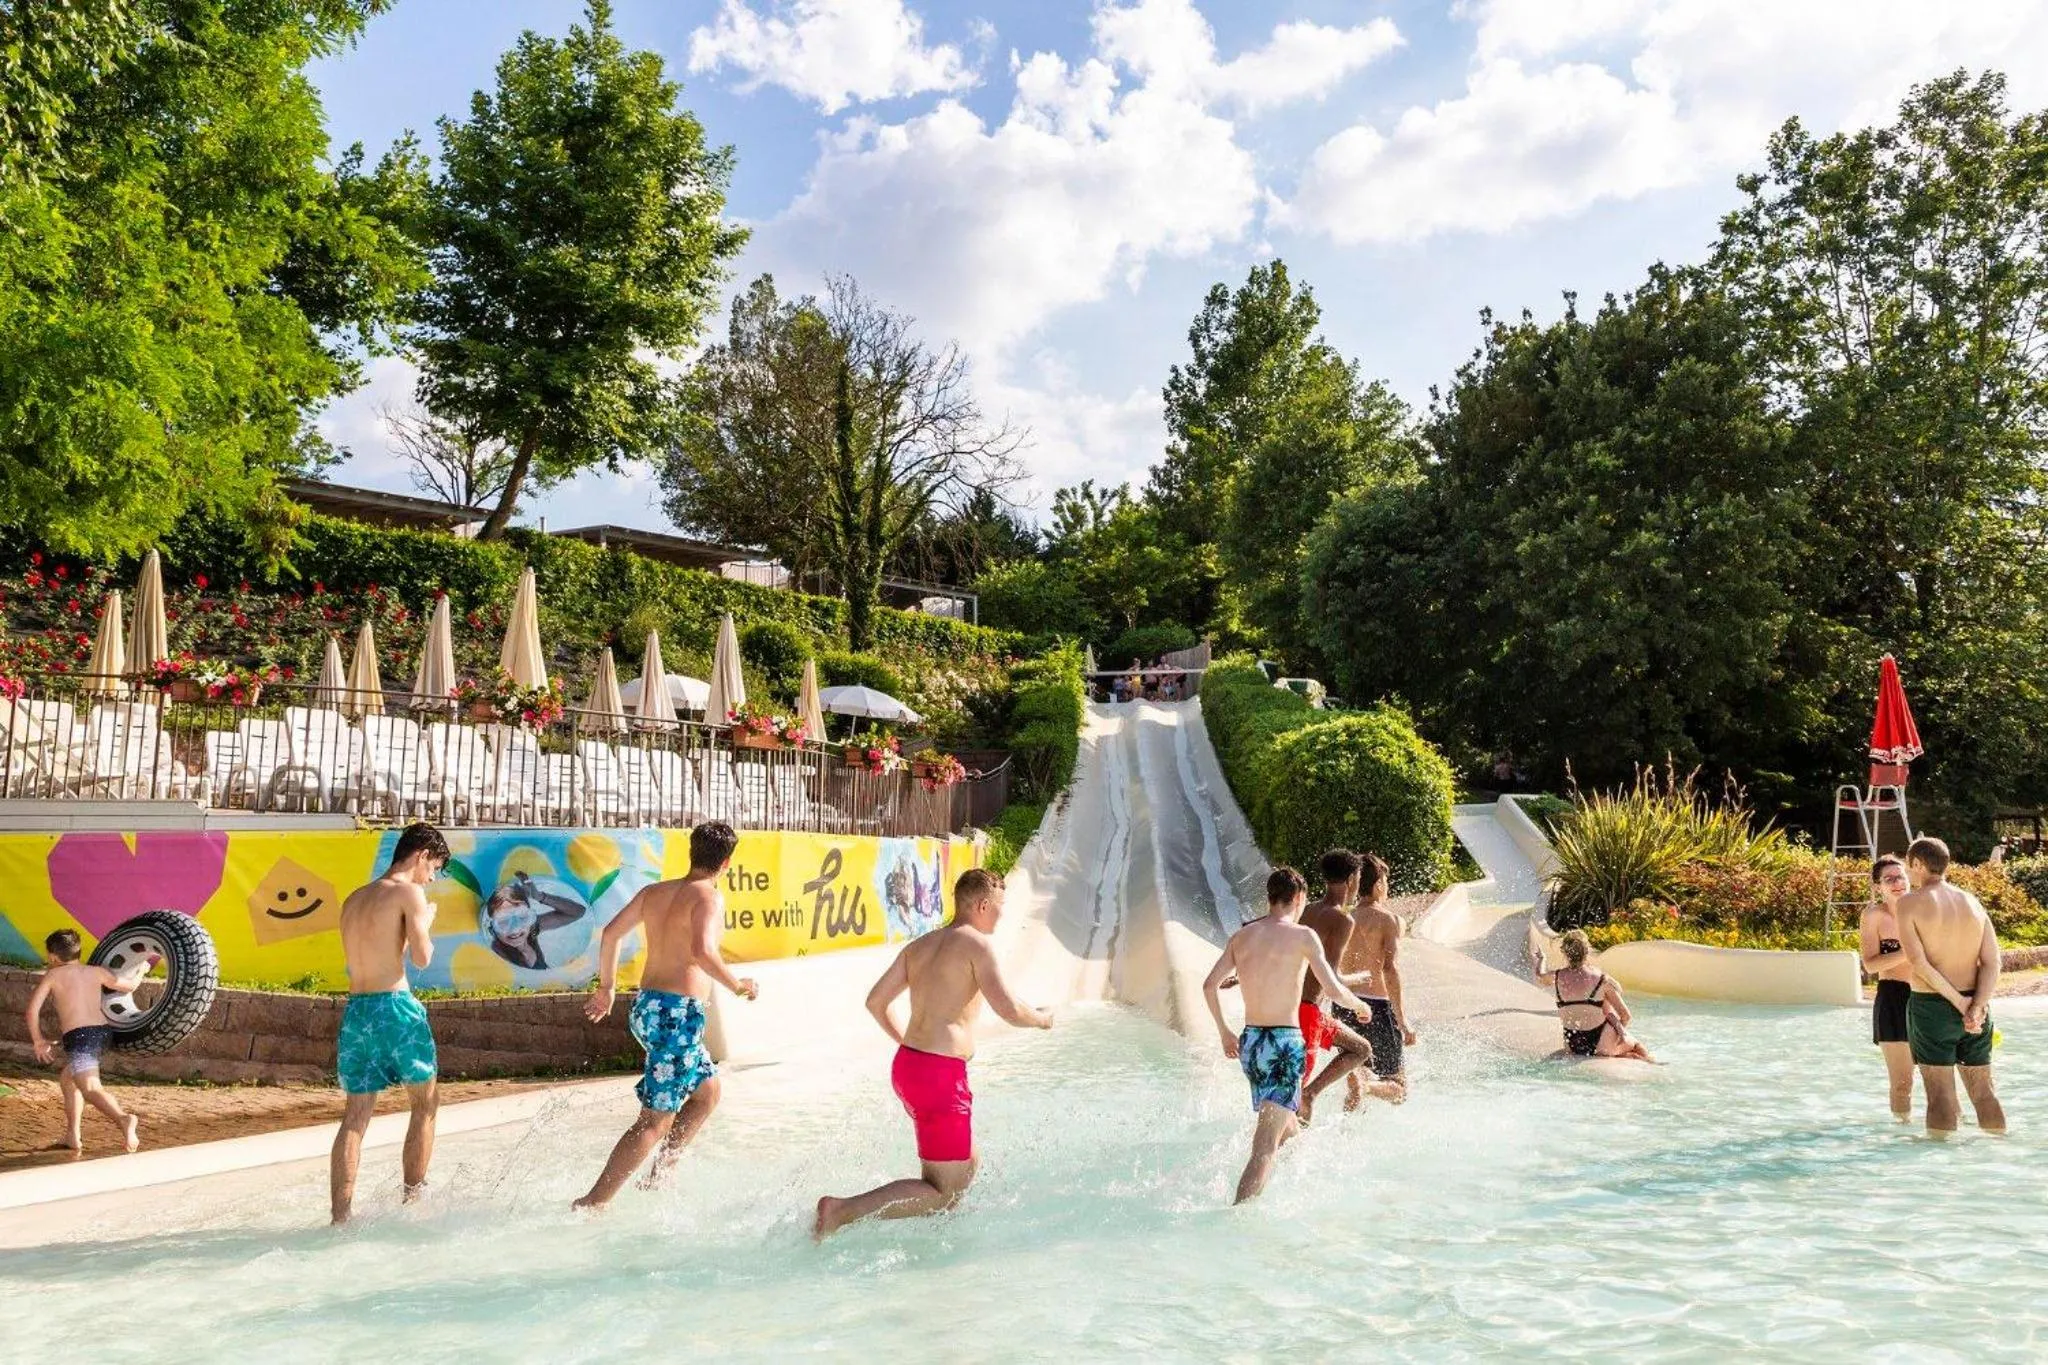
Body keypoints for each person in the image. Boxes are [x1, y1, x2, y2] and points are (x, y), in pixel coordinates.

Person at [814, 869, 1051, 1239]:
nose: (1002, 915)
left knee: (966, 1162)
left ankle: (931, 1228)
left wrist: (909, 1045)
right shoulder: (977, 945)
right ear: (983, 905)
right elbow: (1008, 1008)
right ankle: (841, 1211)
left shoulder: (920, 946)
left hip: (909, 1066)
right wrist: (1041, 1019)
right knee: (942, 1193)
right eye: (1000, 907)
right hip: (939, 1075)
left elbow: (876, 1002)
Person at [576, 821, 758, 1209]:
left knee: (708, 1092)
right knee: (654, 1120)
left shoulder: (653, 893)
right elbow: (703, 951)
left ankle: (660, 1176)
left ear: (691, 853)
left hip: (648, 1008)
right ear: (726, 863)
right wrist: (738, 985)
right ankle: (593, 1202)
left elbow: (611, 934)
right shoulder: (708, 897)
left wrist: (607, 987)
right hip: (677, 1017)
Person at [1202, 867, 1374, 1205]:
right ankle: (1237, 1216)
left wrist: (1224, 1032)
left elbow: (1209, 986)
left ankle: (1301, 1188)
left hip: (1251, 1044)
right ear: (1298, 898)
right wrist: (1359, 1006)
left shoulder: (1242, 937)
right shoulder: (1303, 936)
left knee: (1290, 1130)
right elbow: (1332, 988)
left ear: (1270, 898)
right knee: (1264, 1148)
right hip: (1284, 1045)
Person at [330, 822, 449, 1224]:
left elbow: (377, 949)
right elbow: (422, 959)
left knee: (355, 1116)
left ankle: (341, 1217)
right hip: (395, 1008)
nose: (431, 879)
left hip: (357, 1011)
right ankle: (413, 1204)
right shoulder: (409, 893)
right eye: (434, 869)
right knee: (425, 1103)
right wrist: (425, 924)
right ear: (422, 855)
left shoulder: (354, 898)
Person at [1896, 836, 2006, 1136]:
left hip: (1933, 1007)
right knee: (1984, 1092)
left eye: (1908, 866)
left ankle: (1939, 1162)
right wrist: (1977, 1007)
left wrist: (1959, 1004)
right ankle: (2000, 1149)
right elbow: (1993, 962)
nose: (1908, 872)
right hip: (1977, 1010)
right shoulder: (1972, 902)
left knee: (1940, 1095)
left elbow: (1919, 963)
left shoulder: (1909, 903)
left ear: (1918, 864)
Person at [23, 930, 148, 1154]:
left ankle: (123, 1119)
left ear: (52, 957)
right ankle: (73, 1136)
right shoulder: (95, 972)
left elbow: (32, 1010)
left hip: (81, 1038)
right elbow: (129, 986)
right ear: (78, 952)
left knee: (89, 1088)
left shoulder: (53, 975)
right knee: (68, 1080)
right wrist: (142, 970)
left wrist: (38, 1040)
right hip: (102, 1034)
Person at [1291, 850, 1385, 1121]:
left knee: (1361, 1048)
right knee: (1292, 1098)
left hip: (1295, 1007)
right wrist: (1358, 997)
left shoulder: (1309, 910)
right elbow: (1330, 977)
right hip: (1308, 1013)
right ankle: (1308, 1098)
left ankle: (1308, 1097)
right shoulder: (1343, 919)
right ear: (1352, 879)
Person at [1334, 852, 1416, 1099]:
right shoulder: (1388, 920)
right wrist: (1402, 1020)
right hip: (1376, 1008)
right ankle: (1367, 1087)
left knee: (1358, 1066)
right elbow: (1390, 969)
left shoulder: (1343, 917)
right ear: (1379, 884)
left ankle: (1358, 1088)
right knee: (1398, 1089)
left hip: (1343, 1006)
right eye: (1386, 881)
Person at [1533, 929, 1655, 1063]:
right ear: (1587, 952)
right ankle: (1654, 1064)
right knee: (1636, 1046)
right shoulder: (1600, 978)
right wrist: (1619, 1031)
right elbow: (1625, 1015)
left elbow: (1540, 976)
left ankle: (1616, 1051)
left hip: (1572, 1042)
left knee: (1620, 1049)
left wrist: (1542, 959)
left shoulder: (1557, 977)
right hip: (1601, 1040)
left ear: (1565, 953)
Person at [1860, 854, 1917, 1120]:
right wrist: (1910, 951)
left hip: (1927, 995)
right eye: (1889, 879)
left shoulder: (1924, 909)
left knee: (1941, 1078)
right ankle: (1902, 1134)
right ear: (1878, 886)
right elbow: (1871, 964)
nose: (1897, 883)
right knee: (1902, 1083)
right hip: (1893, 997)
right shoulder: (1873, 916)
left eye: (1900, 876)